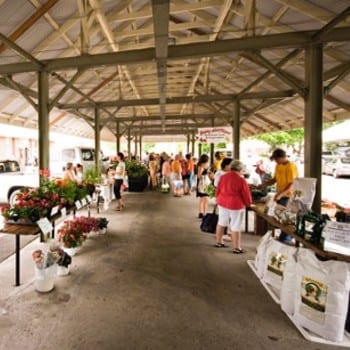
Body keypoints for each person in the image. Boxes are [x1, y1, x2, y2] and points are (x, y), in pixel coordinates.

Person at [258, 148, 299, 242]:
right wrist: (264, 184)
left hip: (288, 196)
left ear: (282, 157)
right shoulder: (278, 166)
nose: (275, 161)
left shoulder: (291, 166)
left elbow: (292, 184)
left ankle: (285, 239)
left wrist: (281, 194)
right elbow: (275, 179)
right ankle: (282, 238)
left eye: (276, 159)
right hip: (280, 195)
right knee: (278, 218)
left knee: (286, 219)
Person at [215, 160, 252, 253]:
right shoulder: (241, 180)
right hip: (236, 205)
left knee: (221, 222)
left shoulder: (223, 177)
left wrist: (218, 199)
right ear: (240, 169)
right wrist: (249, 203)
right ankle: (237, 247)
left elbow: (218, 190)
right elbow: (246, 194)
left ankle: (219, 242)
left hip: (222, 202)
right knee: (236, 225)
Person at [196, 154, 212, 219]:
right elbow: (199, 176)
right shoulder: (201, 167)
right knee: (205, 199)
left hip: (204, 184)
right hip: (204, 184)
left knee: (203, 199)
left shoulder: (202, 166)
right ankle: (204, 213)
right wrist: (205, 174)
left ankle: (201, 212)